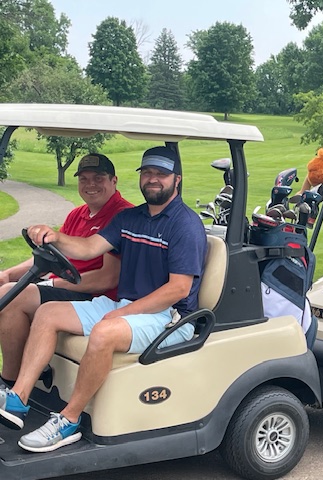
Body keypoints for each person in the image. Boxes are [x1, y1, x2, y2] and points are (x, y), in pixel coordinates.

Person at [0, 146, 207, 453]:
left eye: (161, 174)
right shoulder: (131, 218)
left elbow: (177, 289)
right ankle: (18, 398)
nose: (153, 179)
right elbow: (88, 248)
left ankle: (69, 420)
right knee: (48, 312)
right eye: (148, 173)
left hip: (171, 317)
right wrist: (55, 237)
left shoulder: (185, 225)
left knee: (104, 332)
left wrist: (123, 313)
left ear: (176, 179)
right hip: (128, 307)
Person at [0, 153, 133, 390]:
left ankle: (9, 383)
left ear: (114, 181)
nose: (90, 185)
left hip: (96, 297)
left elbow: (107, 278)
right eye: (84, 179)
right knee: (8, 290)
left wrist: (52, 284)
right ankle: (18, 378)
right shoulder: (77, 214)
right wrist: (9, 273)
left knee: (13, 296)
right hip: (69, 287)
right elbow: (49, 256)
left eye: (98, 178)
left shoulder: (122, 216)